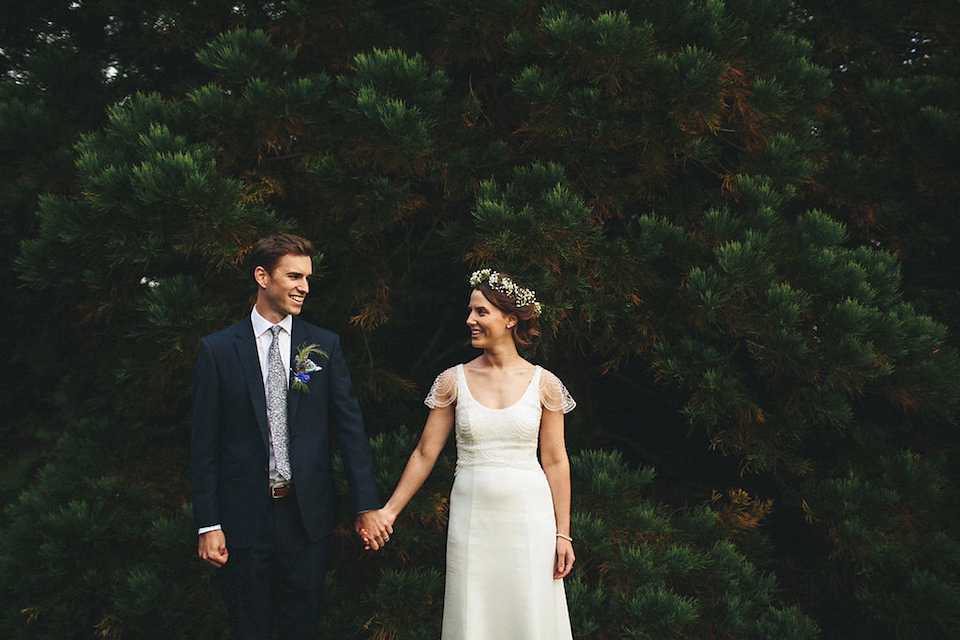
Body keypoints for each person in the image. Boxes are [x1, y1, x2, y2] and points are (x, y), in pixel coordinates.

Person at [190, 233, 392, 640]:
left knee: (302, 627)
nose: (304, 287)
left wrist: (366, 504)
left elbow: (350, 431)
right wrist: (208, 523)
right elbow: (204, 444)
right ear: (262, 276)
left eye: (307, 278)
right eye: (294, 276)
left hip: (306, 518)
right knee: (250, 628)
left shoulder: (322, 345)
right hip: (243, 518)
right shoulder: (218, 350)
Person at [365, 268, 576, 639]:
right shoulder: (453, 380)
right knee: (474, 612)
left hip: (530, 520)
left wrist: (564, 534)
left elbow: (556, 460)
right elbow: (424, 453)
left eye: (481, 312)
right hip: (473, 516)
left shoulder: (545, 384)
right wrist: (389, 511)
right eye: (470, 311)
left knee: (530, 610)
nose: (470, 320)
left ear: (510, 319)